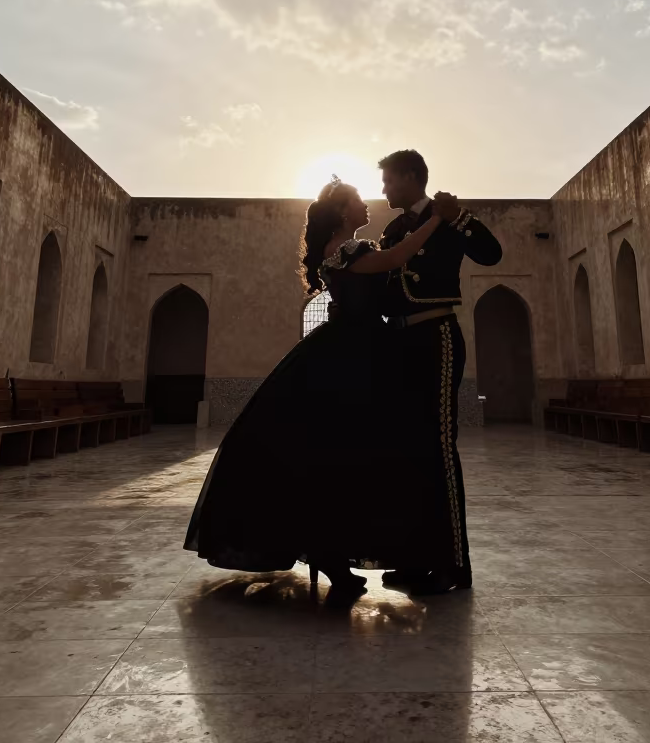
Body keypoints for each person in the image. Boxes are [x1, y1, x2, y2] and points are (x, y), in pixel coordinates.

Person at [183, 176, 460, 596]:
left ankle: (336, 560)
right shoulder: (348, 250)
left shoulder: (341, 250)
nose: (365, 205)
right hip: (353, 356)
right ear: (343, 211)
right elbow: (398, 257)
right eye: (357, 200)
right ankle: (336, 561)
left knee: (337, 459)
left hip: (351, 351)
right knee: (340, 458)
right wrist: (437, 219)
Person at [378, 149, 503, 595]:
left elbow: (491, 254)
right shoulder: (394, 230)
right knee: (409, 450)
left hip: (437, 337)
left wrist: (461, 216)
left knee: (439, 448)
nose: (384, 189)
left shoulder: (447, 216)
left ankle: (453, 564)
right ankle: (416, 560)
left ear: (411, 177)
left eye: (389, 180)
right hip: (402, 342)